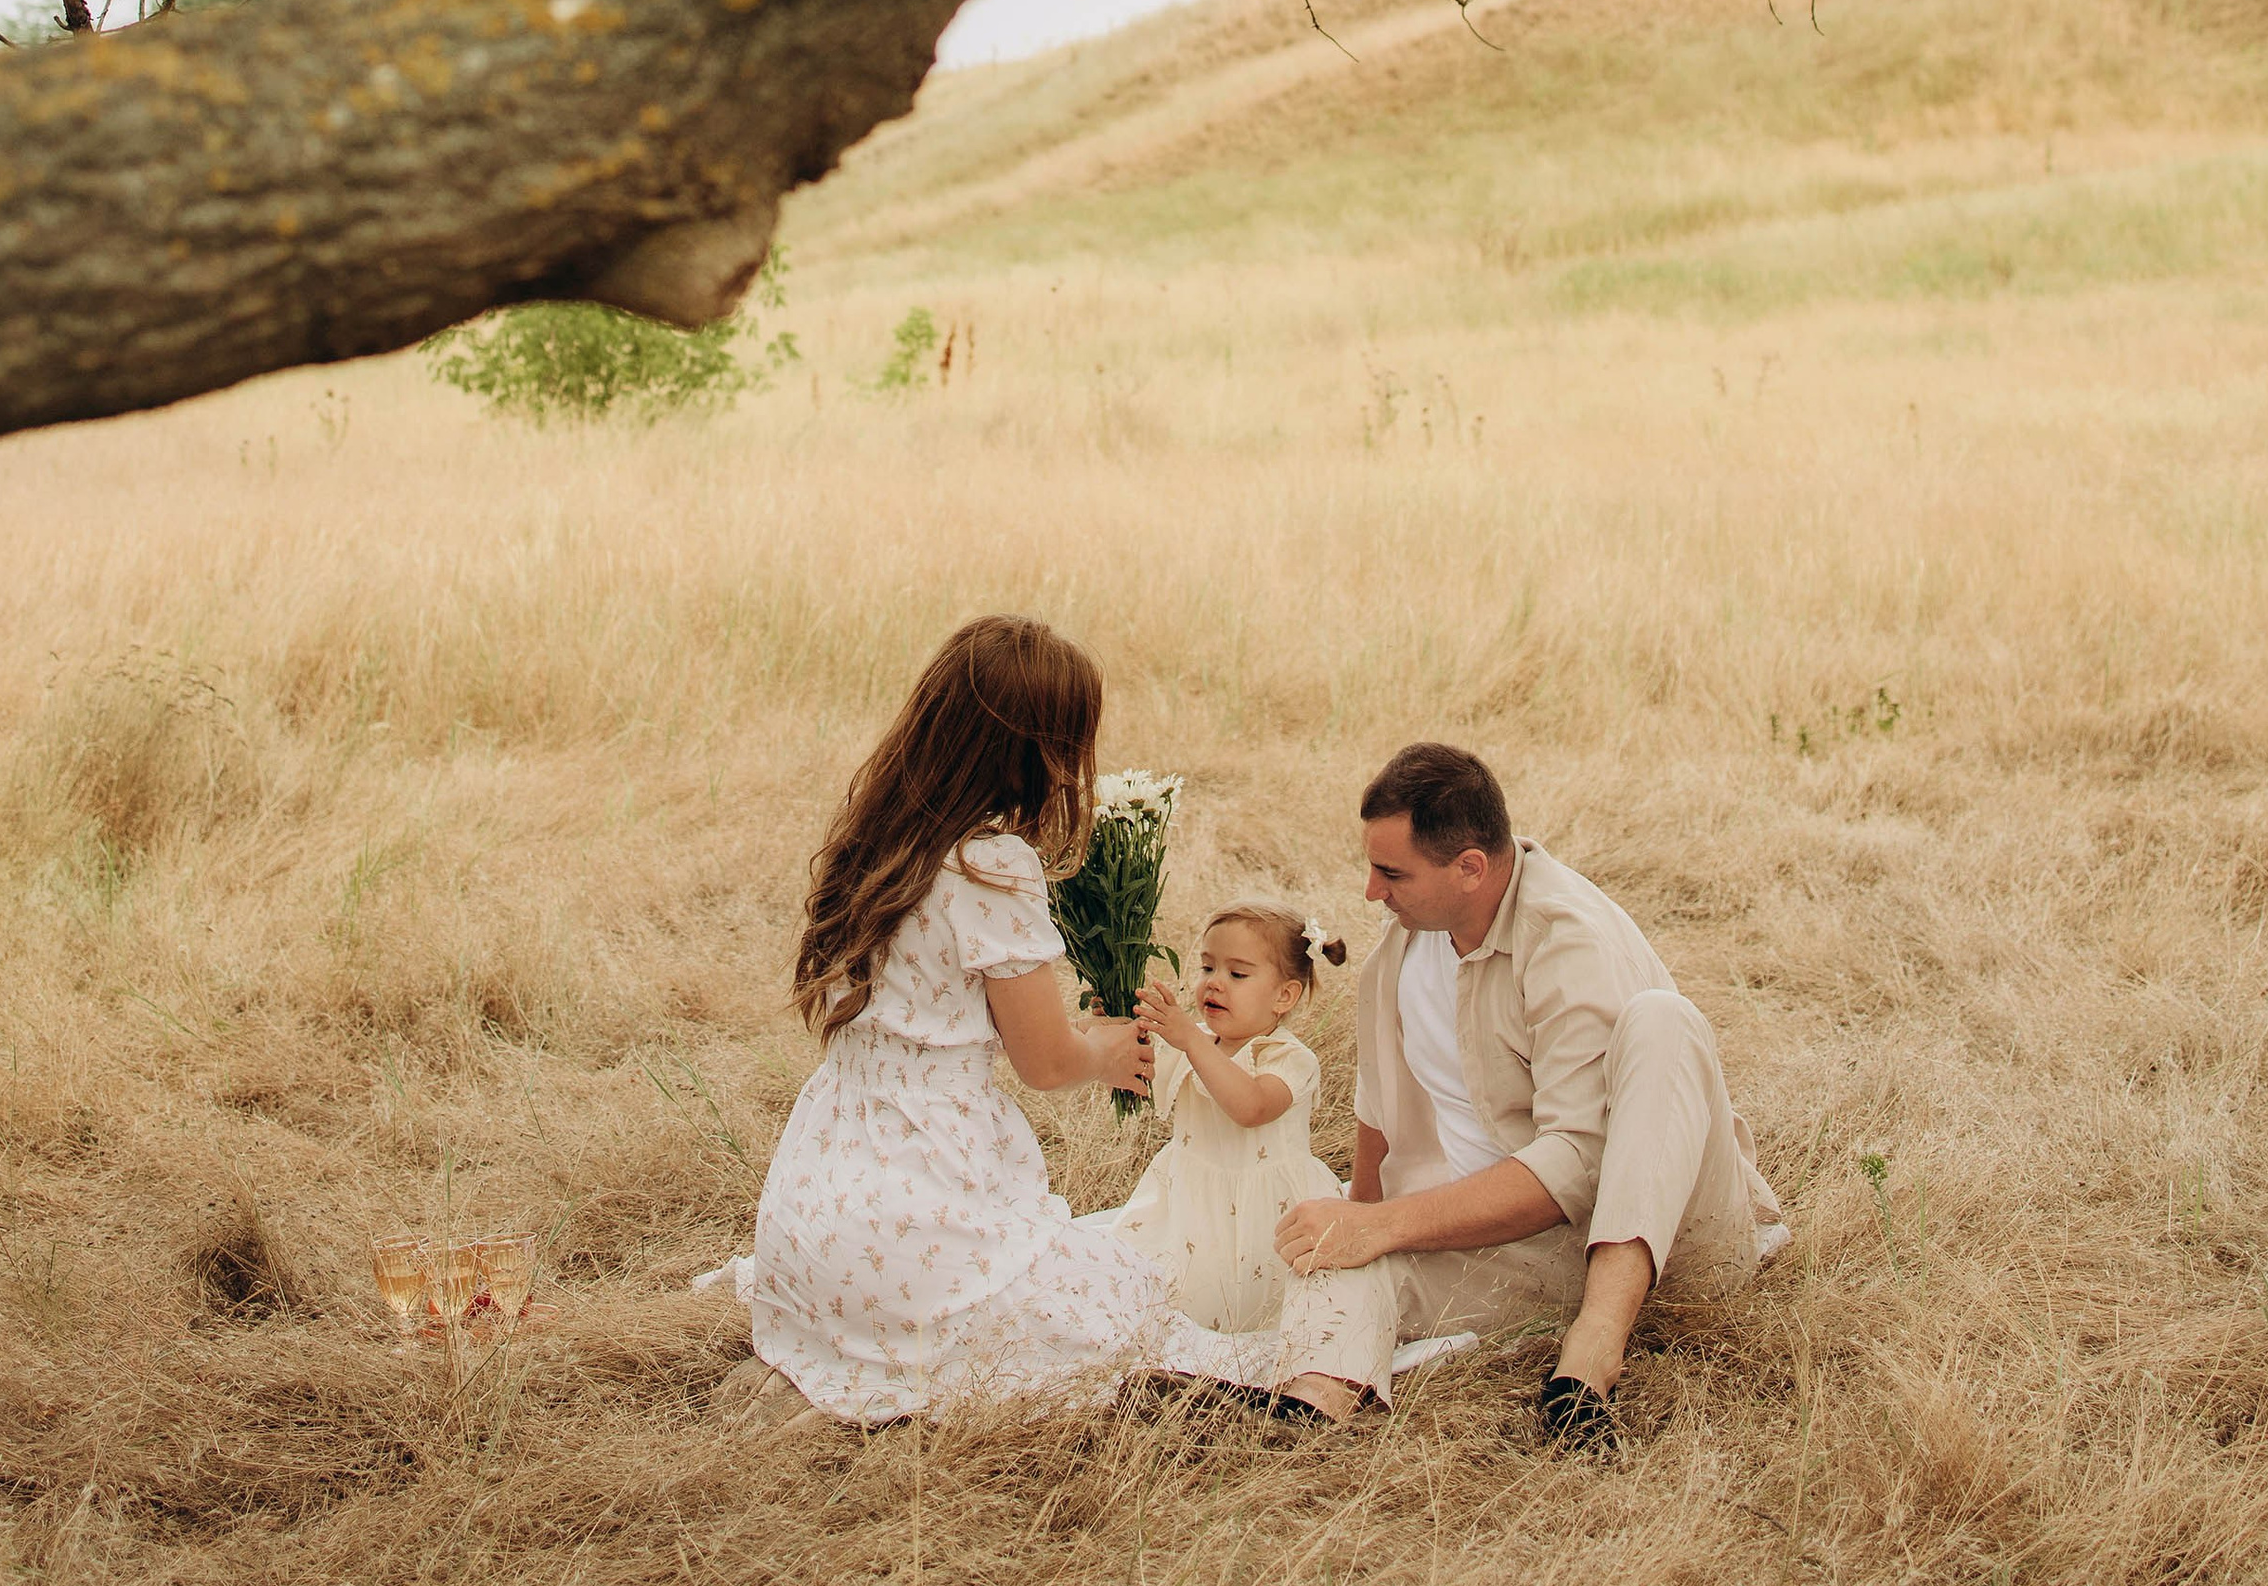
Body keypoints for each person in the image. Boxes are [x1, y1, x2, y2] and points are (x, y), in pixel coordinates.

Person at [1268, 741, 1786, 1449]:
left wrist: (1383, 1226)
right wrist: (1358, 1224)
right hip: (1533, 1245)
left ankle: (1591, 1358)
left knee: (1665, 1021)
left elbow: (1576, 1163)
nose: (1371, 893)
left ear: (1471, 868)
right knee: (1341, 1245)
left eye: (1391, 873)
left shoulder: (1567, 938)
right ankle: (1306, 1407)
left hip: (1676, 1235)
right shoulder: (1405, 947)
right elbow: (1378, 1114)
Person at [729, 614, 1167, 1422]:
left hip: (815, 1206)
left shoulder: (880, 835)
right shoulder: (991, 862)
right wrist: (1106, 1052)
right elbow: (1044, 1062)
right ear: (1035, 751)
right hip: (914, 1199)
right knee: (1127, 1314)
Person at [1074, 905, 1347, 1331]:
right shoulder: (1196, 1041)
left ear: (1284, 996)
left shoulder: (1289, 1057)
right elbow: (1138, 1078)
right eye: (1206, 967)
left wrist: (1186, 1039)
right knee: (1146, 1292)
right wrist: (1115, 1031)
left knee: (1248, 1310)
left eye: (1238, 974)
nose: (1214, 983)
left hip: (1262, 1213)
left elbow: (1251, 1107)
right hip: (1190, 1201)